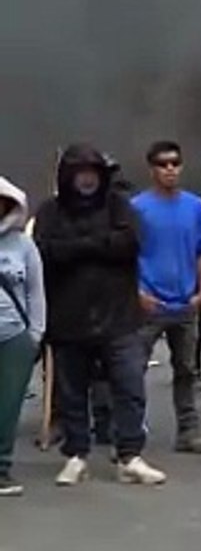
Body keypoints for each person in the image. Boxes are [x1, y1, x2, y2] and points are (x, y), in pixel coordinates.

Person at [35, 144, 166, 486]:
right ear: (69, 176)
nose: (88, 180)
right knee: (72, 393)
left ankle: (130, 456)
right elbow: (47, 251)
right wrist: (98, 245)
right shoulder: (51, 211)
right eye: (81, 173)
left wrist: (78, 246)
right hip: (68, 320)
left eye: (93, 173)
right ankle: (76, 455)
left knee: (130, 388)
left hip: (119, 319)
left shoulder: (120, 207)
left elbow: (130, 244)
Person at [132, 140, 201, 455]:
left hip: (185, 303)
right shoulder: (138, 208)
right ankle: (130, 433)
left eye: (175, 163)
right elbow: (126, 254)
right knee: (133, 369)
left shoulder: (195, 207)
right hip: (149, 303)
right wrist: (137, 293)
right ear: (152, 169)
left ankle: (189, 432)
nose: (170, 168)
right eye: (162, 163)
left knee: (186, 370)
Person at [0, 177, 45, 496]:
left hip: (14, 336)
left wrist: (35, 335)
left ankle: (1, 467)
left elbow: (35, 292)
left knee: (8, 405)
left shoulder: (23, 245)